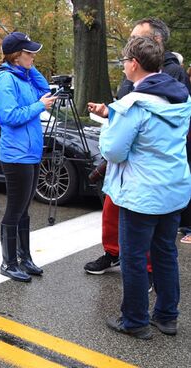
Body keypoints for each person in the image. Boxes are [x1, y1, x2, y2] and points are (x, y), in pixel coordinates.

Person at [96, 36, 191, 339]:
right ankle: (166, 316)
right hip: (173, 189)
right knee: (165, 253)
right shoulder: (180, 99)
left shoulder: (134, 105)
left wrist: (108, 124)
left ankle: (135, 320)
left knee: (134, 256)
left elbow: (113, 151)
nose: (123, 66)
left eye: (124, 61)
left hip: (142, 194)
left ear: (134, 64)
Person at [84, 17, 190, 277]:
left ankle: (143, 289)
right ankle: (113, 252)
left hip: (145, 170)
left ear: (154, 41)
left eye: (135, 37)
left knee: (148, 241)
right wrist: (110, 113)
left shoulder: (171, 74)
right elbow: (129, 111)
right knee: (113, 212)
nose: (129, 43)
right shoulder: (134, 76)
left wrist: (115, 128)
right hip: (128, 166)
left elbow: (147, 118)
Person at [0, 32, 56, 282]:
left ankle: (24, 258)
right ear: (16, 56)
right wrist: (39, 106)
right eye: (29, 53)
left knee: (24, 210)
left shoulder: (22, 75)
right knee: (15, 209)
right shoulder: (7, 79)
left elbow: (45, 89)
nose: (34, 56)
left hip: (29, 152)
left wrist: (30, 67)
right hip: (16, 155)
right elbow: (10, 117)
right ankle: (8, 262)